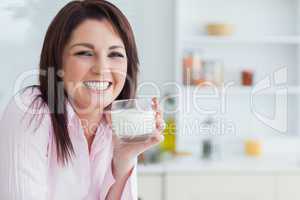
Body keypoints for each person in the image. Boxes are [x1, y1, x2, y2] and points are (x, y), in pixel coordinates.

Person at [0, 0, 165, 199]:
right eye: (85, 53)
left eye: (115, 54)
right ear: (58, 62)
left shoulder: (119, 123)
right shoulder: (30, 109)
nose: (102, 68)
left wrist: (124, 159)